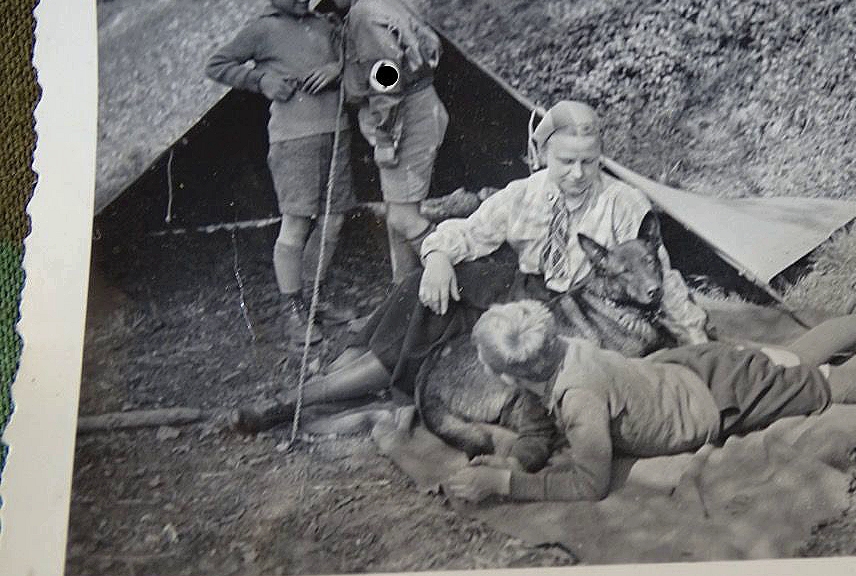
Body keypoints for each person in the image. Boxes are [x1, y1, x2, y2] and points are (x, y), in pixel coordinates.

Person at [233, 98, 710, 433]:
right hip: (516, 288)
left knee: (430, 318)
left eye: (589, 161)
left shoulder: (625, 203)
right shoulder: (524, 193)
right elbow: (465, 231)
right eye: (566, 161)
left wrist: (697, 337)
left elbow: (658, 274)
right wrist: (439, 258)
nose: (578, 173)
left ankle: (304, 399)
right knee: (429, 289)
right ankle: (308, 396)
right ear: (544, 154)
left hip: (563, 307)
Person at [443, 296, 856, 503]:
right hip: (689, 366)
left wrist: (507, 487)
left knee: (834, 386)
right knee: (792, 353)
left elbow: (589, 483)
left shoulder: (576, 400)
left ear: (515, 376)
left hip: (719, 400)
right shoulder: (572, 349)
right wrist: (519, 449)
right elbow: (546, 419)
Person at [205, 0, 353, 346]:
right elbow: (217, 64)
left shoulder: (325, 24)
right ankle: (293, 310)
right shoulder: (262, 32)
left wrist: (336, 67)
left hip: (336, 135)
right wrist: (261, 79)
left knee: (334, 221)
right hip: (294, 143)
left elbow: (352, 59)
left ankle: (313, 298)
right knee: (296, 225)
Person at [313, 0, 448, 281]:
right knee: (397, 214)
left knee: (404, 218)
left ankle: (458, 272)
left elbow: (386, 76)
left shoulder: (362, 14)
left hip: (404, 118)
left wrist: (385, 135)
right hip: (419, 108)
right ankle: (400, 300)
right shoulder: (387, 1)